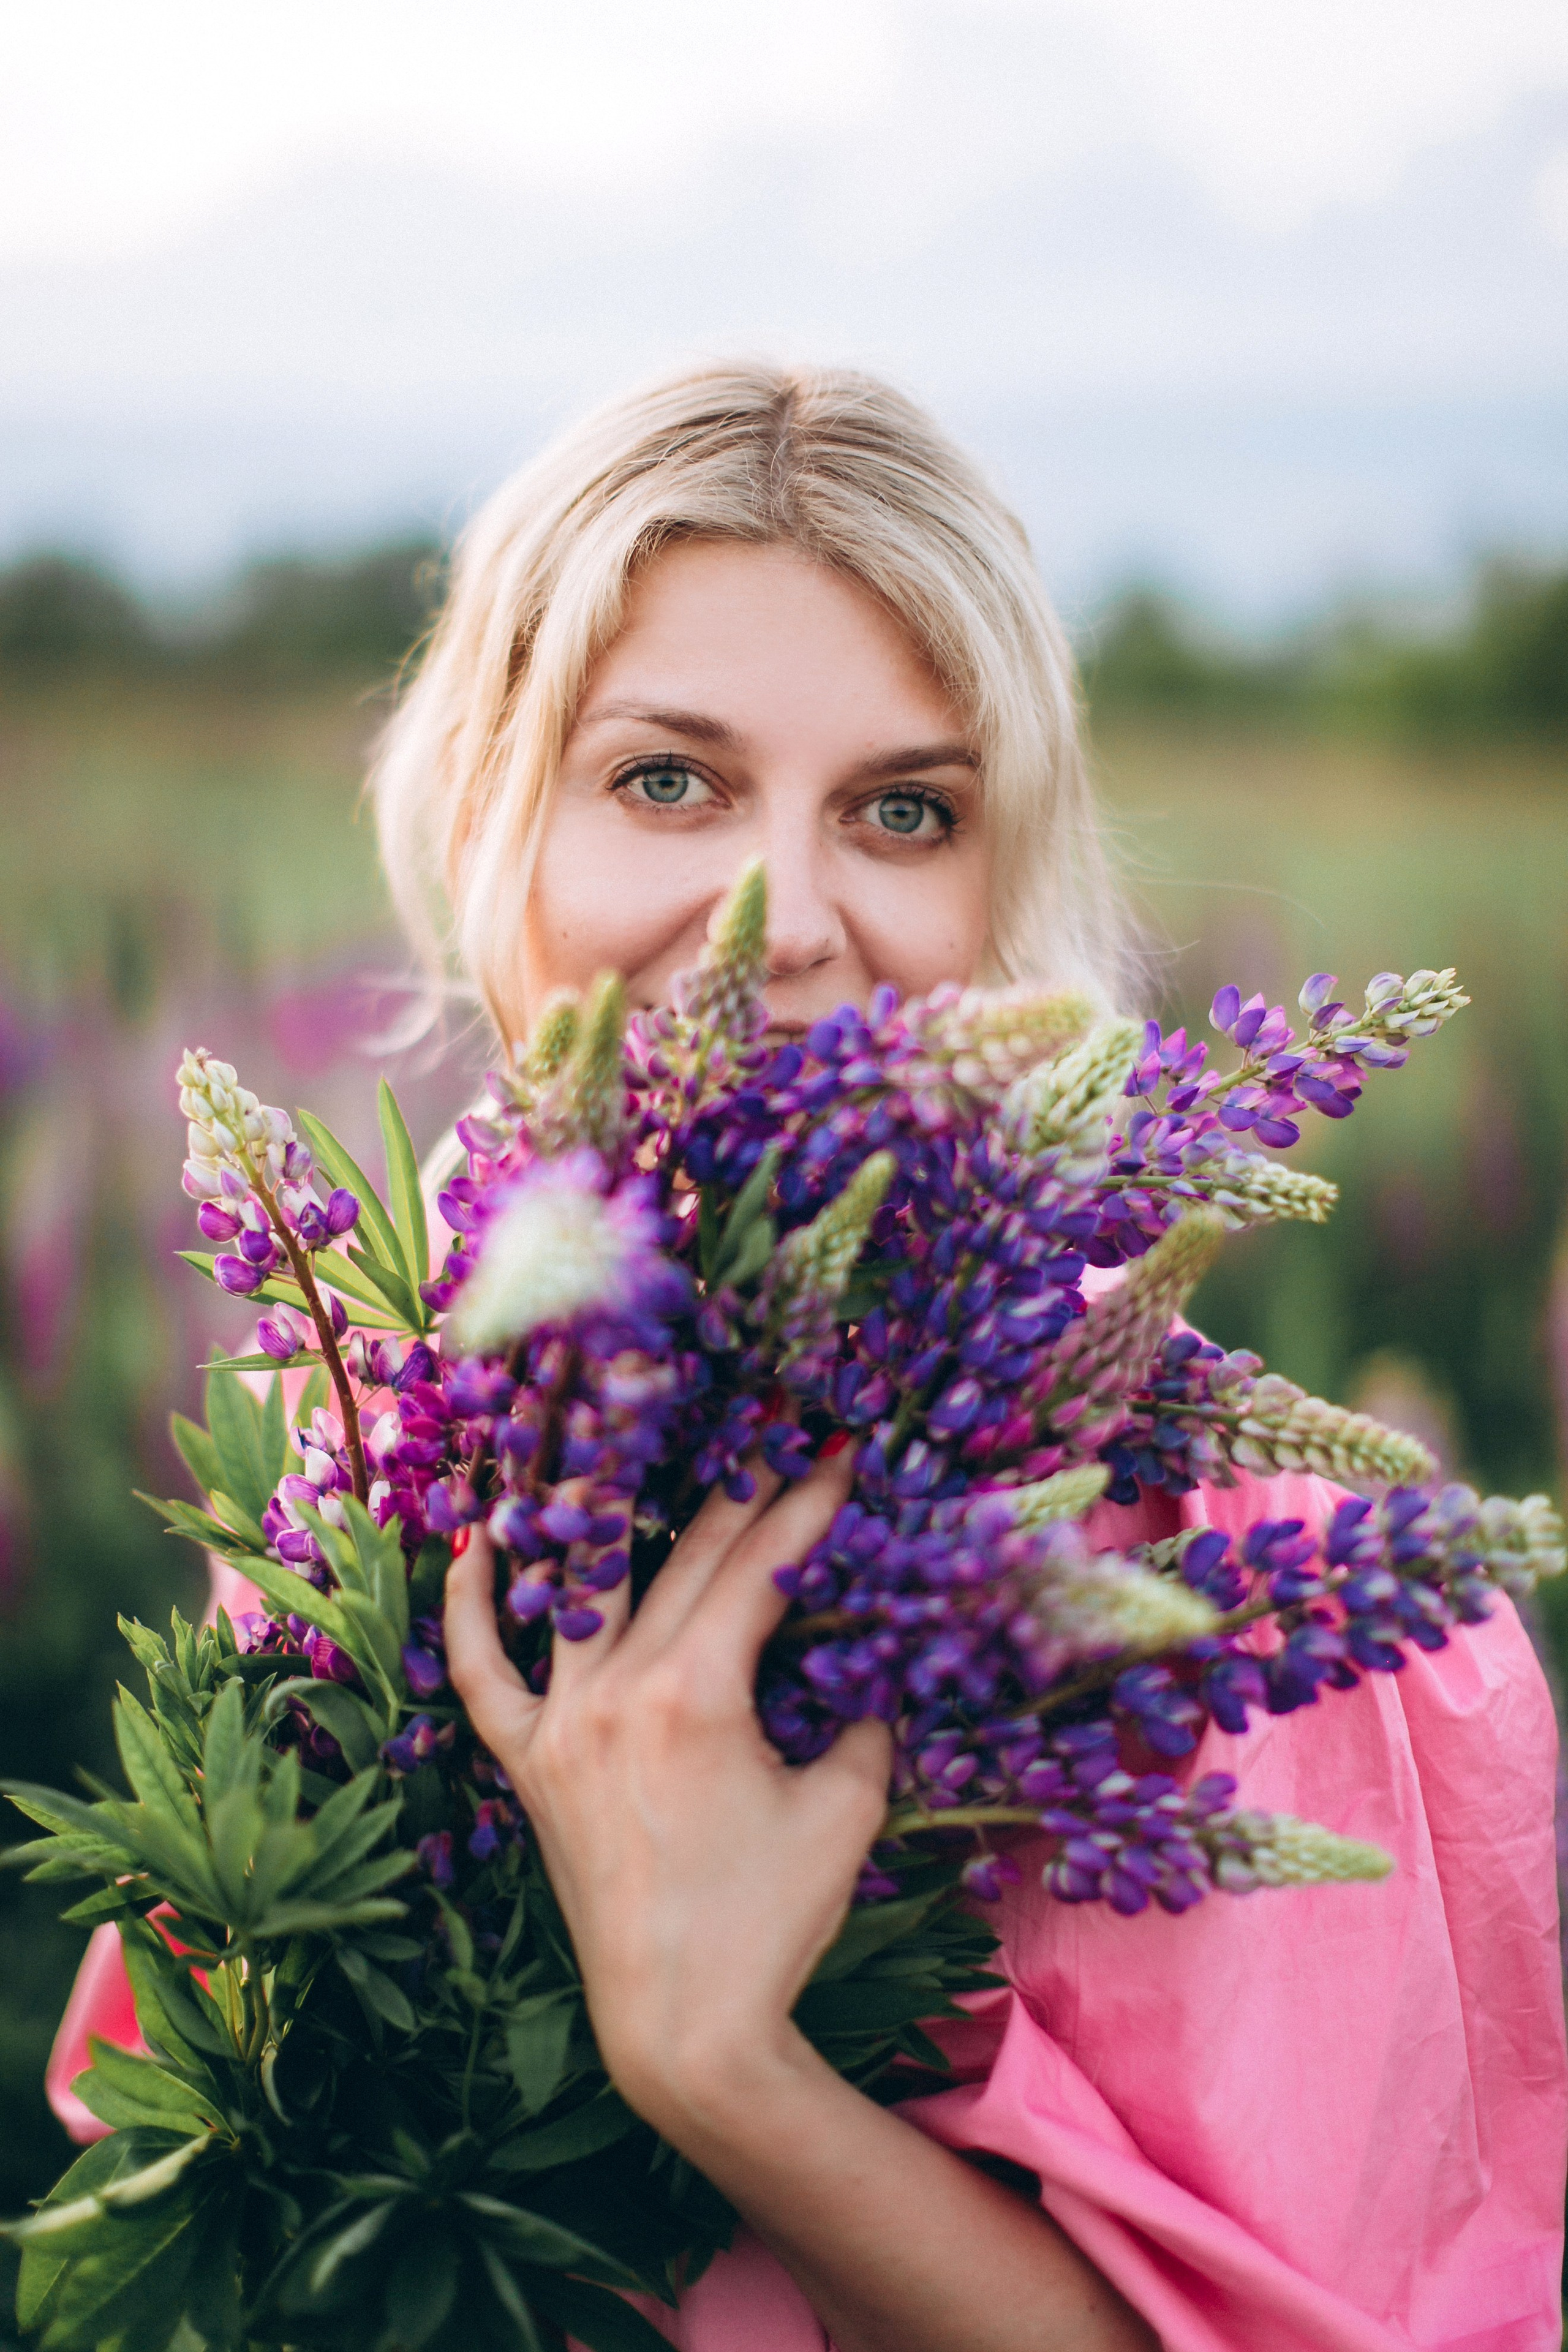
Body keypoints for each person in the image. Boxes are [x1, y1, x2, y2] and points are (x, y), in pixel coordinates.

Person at [51, 364, 1567, 2348]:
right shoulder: (365, 1420)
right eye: (666, 778)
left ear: (998, 880)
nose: (780, 914)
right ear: (500, 817)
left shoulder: (1207, 1544)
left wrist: (722, 2067)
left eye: (904, 810)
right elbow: (195, 2179)